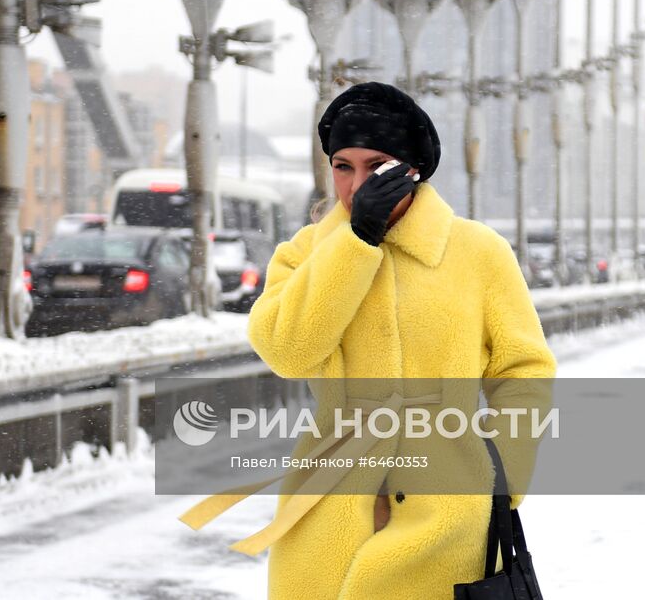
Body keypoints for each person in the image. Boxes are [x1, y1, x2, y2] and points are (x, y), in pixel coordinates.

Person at [180, 82, 556, 599]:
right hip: (330, 489)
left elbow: (524, 370)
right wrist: (355, 243)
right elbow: (288, 352)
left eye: (377, 165)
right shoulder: (304, 254)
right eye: (343, 166)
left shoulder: (478, 252)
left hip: (448, 494)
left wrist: (501, 477)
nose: (358, 184)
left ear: (412, 169)